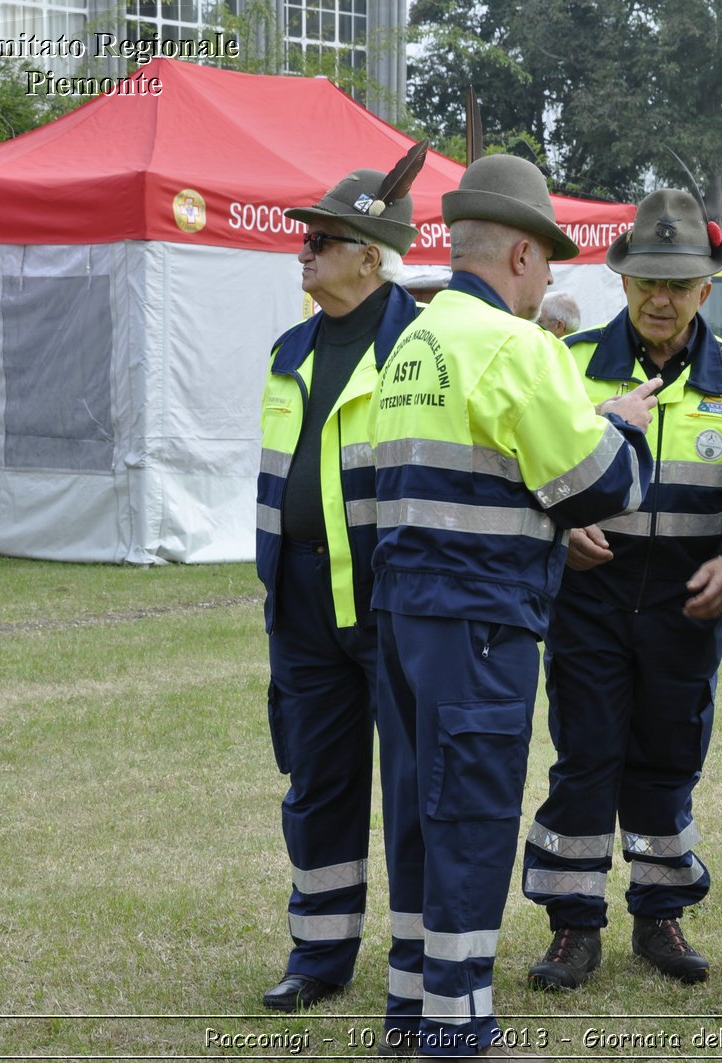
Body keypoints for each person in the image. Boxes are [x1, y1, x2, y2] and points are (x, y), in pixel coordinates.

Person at [369, 153, 662, 1060]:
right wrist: (623, 427)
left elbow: (481, 461)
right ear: (526, 257)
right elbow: (602, 486)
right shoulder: (517, 343)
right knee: (473, 819)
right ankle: (457, 1029)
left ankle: (414, 1008)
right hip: (481, 621)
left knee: (421, 811)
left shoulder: (416, 338)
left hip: (406, 615)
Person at [519, 188, 722, 991]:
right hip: (589, 604)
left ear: (707, 289)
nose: (661, 299)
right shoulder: (565, 366)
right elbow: (528, 473)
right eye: (647, 283)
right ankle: (572, 927)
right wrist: (564, 527)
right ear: (623, 282)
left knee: (669, 760)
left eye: (678, 285)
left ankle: (660, 913)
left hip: (686, 606)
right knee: (586, 759)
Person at [254, 149, 427, 1013]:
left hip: (395, 602)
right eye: (304, 239)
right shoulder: (289, 348)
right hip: (301, 603)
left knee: (413, 786)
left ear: (372, 253)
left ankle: (424, 955)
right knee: (317, 781)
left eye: (322, 240)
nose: (303, 252)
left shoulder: (423, 346)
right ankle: (317, 955)